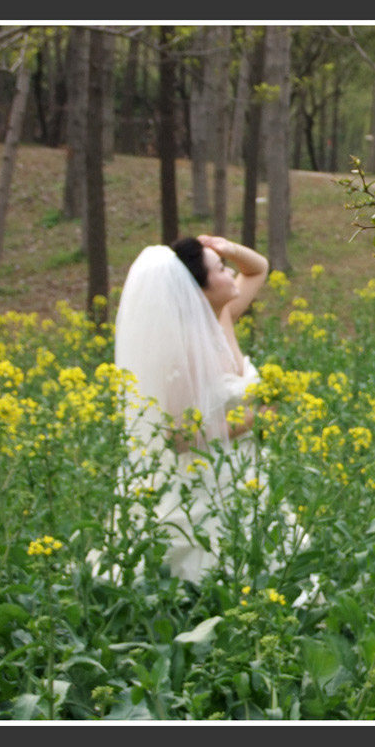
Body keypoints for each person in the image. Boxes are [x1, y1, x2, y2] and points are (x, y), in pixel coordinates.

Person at [109, 235, 270, 583]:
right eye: (221, 270)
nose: (230, 275)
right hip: (206, 479)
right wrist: (252, 421)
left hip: (246, 469)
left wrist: (224, 248)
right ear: (197, 290)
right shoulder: (181, 351)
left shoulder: (222, 315)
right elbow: (179, 438)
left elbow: (258, 269)